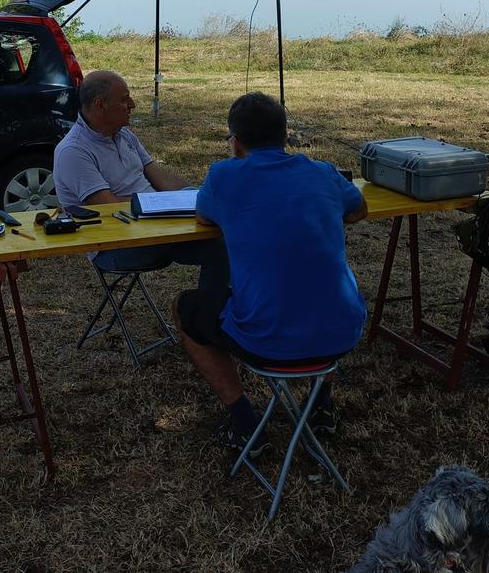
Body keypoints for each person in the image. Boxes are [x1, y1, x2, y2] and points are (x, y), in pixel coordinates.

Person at [174, 92, 369, 456]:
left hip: (267, 341)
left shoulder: (224, 175)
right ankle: (321, 405)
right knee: (319, 292)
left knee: (186, 308)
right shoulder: (323, 172)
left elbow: (204, 218)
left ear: (235, 140)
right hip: (344, 331)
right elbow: (359, 211)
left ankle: (245, 423)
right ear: (285, 135)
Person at [53, 69, 229, 289]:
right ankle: (208, 315)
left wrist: (199, 197)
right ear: (100, 105)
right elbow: (110, 208)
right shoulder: (74, 151)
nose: (133, 104)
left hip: (156, 227)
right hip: (118, 244)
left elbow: (161, 179)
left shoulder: (123, 134)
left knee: (226, 239)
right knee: (221, 241)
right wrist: (167, 212)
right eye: (124, 99)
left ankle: (215, 312)